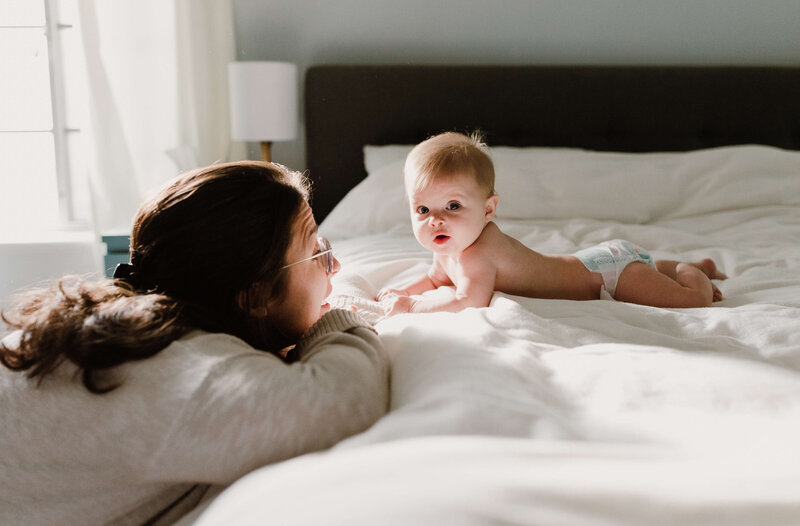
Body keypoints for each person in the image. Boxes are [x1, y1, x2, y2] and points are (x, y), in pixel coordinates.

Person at [0, 161, 390, 526]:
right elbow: (345, 402)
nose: (335, 266)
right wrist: (340, 312)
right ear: (254, 296)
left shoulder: (109, 324)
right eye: (316, 254)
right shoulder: (189, 373)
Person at [377, 132, 727, 315]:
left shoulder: (479, 252)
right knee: (648, 269)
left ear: (488, 210)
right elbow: (438, 278)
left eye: (453, 206)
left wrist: (411, 307)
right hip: (597, 260)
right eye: (422, 210)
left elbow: (468, 301)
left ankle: (692, 273)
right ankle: (689, 267)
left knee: (691, 303)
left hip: (612, 278)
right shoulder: (451, 246)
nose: (436, 219)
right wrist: (403, 291)